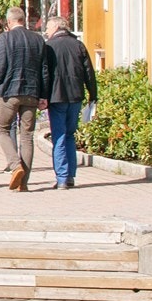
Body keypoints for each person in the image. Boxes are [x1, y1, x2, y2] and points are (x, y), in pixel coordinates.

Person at [0, 5, 56, 192]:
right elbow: (44, 70)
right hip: (32, 93)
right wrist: (44, 95)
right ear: (23, 20)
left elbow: (0, 67)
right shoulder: (37, 39)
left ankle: (15, 165)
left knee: (1, 129)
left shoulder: (5, 38)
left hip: (9, 92)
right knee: (27, 137)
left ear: (9, 22)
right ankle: (23, 184)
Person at [44, 16, 97, 191]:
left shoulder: (50, 46)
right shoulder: (78, 45)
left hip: (56, 97)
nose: (46, 31)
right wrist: (93, 95)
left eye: (48, 28)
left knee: (59, 136)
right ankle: (71, 176)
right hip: (75, 95)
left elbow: (44, 73)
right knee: (69, 135)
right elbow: (89, 72)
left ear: (57, 27)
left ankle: (62, 178)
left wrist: (42, 96)